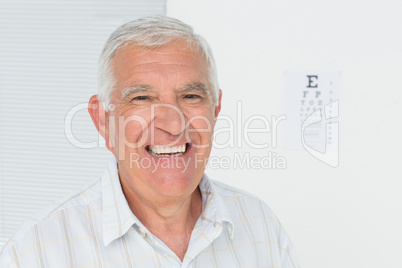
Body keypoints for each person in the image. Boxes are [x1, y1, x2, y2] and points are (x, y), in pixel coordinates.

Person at [0, 16, 299, 267]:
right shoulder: (37, 252)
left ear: (215, 109)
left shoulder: (261, 227)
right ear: (103, 122)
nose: (173, 124)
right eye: (142, 98)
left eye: (191, 96)